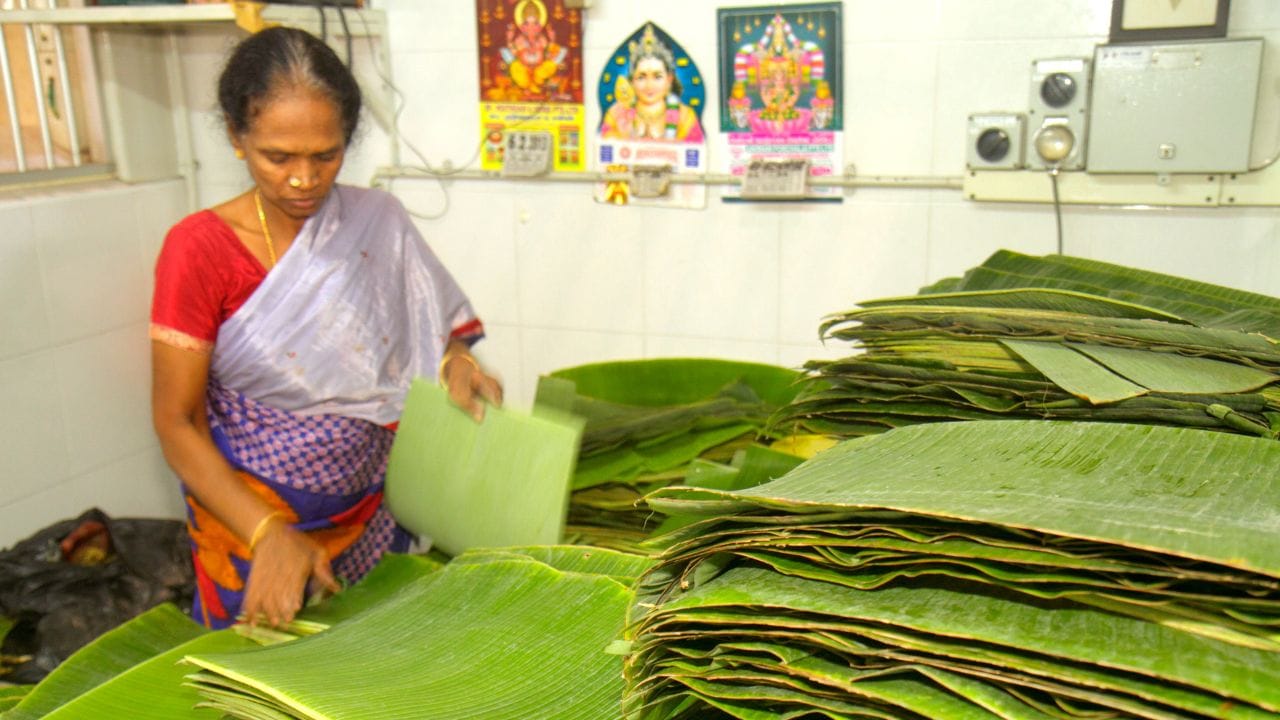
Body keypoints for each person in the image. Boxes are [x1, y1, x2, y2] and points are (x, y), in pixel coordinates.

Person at [149, 27, 502, 629]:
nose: (303, 179)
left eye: (325, 155)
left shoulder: (376, 220)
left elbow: (435, 327)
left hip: (371, 511)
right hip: (252, 527)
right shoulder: (200, 249)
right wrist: (267, 533)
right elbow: (175, 423)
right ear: (237, 137)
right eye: (278, 156)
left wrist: (459, 363)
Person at [600, 25, 703, 143]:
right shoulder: (616, 115)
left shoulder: (685, 117)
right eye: (641, 77)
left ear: (669, 80)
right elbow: (606, 154)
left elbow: (695, 156)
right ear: (632, 81)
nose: (649, 86)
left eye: (657, 77)